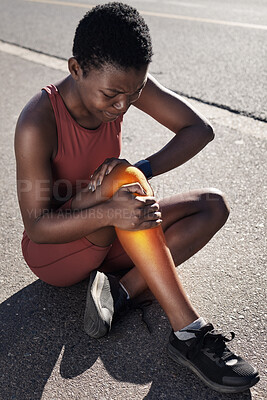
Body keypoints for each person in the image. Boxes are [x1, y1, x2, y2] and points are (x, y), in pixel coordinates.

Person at [15, 2, 259, 394]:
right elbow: (38, 228)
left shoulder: (122, 84)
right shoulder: (37, 121)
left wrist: (144, 168)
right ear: (76, 69)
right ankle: (189, 334)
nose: (123, 106)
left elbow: (198, 129)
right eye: (112, 96)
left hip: (112, 231)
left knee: (212, 205)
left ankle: (121, 291)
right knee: (122, 180)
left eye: (134, 94)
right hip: (57, 253)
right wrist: (113, 207)